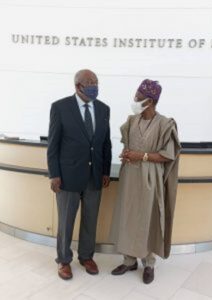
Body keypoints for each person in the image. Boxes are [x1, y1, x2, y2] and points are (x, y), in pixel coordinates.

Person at [110, 79, 181, 284]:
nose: (134, 100)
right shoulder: (132, 121)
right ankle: (129, 260)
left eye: (138, 97)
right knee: (129, 218)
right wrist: (127, 154)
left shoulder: (165, 124)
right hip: (130, 177)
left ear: (150, 101)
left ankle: (148, 264)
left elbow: (168, 155)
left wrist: (141, 156)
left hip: (151, 178)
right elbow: (129, 148)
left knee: (147, 220)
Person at [47, 69, 112, 280]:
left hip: (94, 176)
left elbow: (105, 144)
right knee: (66, 222)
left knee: (90, 220)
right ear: (78, 86)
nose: (95, 85)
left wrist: (105, 171)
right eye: (90, 82)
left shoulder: (103, 109)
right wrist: (54, 174)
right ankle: (64, 260)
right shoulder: (60, 107)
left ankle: (86, 256)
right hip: (67, 177)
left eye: (96, 81)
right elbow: (53, 145)